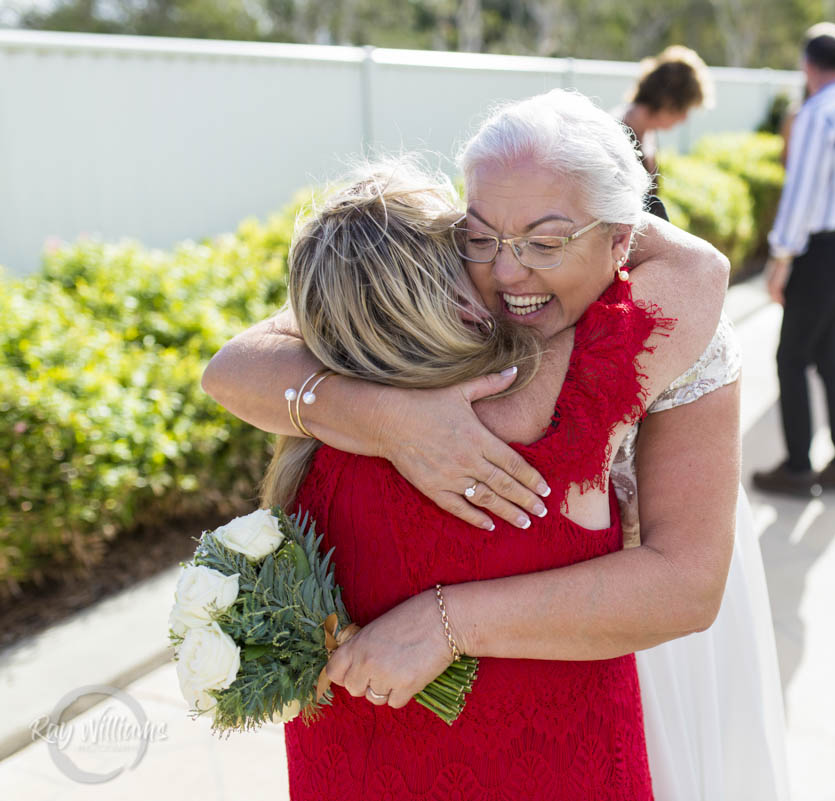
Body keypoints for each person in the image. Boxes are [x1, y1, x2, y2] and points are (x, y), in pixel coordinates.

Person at [203, 90, 787, 800]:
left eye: (546, 242)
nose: (509, 273)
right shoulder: (443, 295)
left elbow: (686, 585)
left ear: (622, 240)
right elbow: (233, 365)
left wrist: (446, 621)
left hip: (628, 636)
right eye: (480, 237)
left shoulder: (666, 325)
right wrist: (391, 418)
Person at [751, 22, 835, 498]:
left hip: (818, 251)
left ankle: (798, 465)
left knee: (791, 357)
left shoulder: (816, 114)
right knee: (831, 354)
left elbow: (801, 192)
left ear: (807, 66)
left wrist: (781, 257)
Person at [614, 45, 714, 177]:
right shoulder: (617, 135)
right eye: (684, 109)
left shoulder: (647, 132)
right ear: (668, 101)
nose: (684, 118)